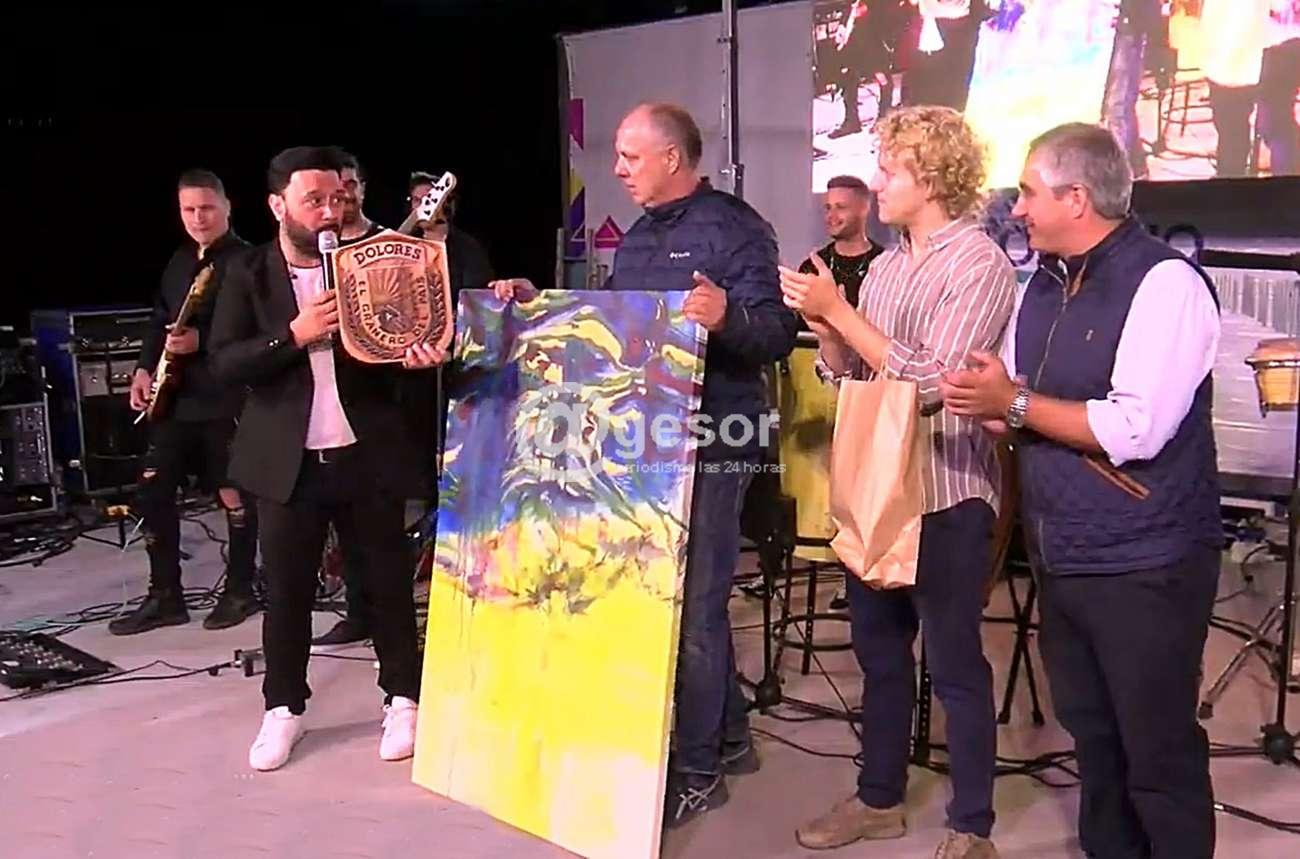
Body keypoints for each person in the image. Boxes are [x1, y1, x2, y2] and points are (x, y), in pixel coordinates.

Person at [491, 102, 799, 827]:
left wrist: (729, 318)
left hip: (717, 443)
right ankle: (730, 738)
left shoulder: (736, 228)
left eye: (631, 156)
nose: (620, 169)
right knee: (675, 601)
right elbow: (610, 326)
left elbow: (778, 333)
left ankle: (698, 770)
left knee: (695, 609)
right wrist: (538, 305)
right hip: (649, 442)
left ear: (671, 158)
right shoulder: (636, 237)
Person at [940, 122, 1222, 859]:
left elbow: (1136, 428)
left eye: (1029, 193)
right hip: (1062, 550)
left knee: (1155, 749)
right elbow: (1022, 400)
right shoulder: (1043, 284)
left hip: (1146, 557)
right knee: (1094, 741)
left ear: (1076, 197)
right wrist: (991, 401)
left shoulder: (1164, 283)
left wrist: (1014, 403)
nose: (1017, 209)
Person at [779, 105, 1015, 859]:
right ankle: (878, 798)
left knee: (955, 665)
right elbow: (854, 375)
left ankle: (972, 827)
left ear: (933, 177)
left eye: (888, 170)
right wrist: (828, 332)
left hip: (946, 492)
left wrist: (842, 315)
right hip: (876, 489)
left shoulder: (979, 265)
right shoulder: (883, 267)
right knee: (880, 656)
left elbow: (936, 384)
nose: (876, 183)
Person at [208, 145, 444, 772]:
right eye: (313, 200)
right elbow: (224, 363)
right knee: (287, 592)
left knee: (388, 584)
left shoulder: (370, 263)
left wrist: (418, 357)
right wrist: (294, 335)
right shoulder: (247, 273)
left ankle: (403, 696)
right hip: (287, 462)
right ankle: (283, 706)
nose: (329, 212)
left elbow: (401, 351)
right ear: (277, 205)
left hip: (368, 453)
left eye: (337, 199)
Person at [112, 169, 259, 636]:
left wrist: (204, 341)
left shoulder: (248, 261)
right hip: (174, 400)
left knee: (232, 494)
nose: (198, 218)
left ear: (227, 207)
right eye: (189, 210)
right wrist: (143, 368)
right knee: (152, 493)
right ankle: (165, 596)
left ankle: (240, 590)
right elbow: (158, 320)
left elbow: (261, 328)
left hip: (224, 400)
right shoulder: (178, 261)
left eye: (207, 208)